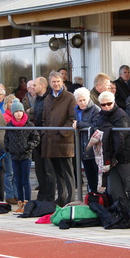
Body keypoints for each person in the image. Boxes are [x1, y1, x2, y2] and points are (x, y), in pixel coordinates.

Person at [94, 91, 130, 221]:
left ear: (113, 102)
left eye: (109, 104)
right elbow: (95, 128)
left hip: (125, 156)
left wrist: (112, 157)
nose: (106, 107)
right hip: (111, 157)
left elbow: (120, 137)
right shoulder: (101, 116)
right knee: (114, 189)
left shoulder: (121, 115)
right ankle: (124, 212)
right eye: (103, 105)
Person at [41, 70, 77, 206]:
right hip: (50, 141)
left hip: (64, 141)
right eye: (53, 82)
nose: (56, 84)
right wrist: (45, 132)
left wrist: (62, 132)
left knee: (67, 171)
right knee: (57, 172)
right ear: (50, 84)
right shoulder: (48, 98)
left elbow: (72, 118)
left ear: (62, 82)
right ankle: (62, 197)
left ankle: (71, 197)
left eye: (58, 81)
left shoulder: (69, 97)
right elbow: (44, 119)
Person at [4, 98, 40, 213]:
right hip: (15, 156)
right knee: (17, 180)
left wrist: (29, 146)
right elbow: (6, 139)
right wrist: (9, 148)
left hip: (26, 155)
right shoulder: (10, 126)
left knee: (25, 180)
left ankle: (27, 202)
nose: (18, 114)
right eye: (16, 112)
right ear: (13, 113)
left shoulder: (29, 125)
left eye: (20, 111)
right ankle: (20, 202)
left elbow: (36, 138)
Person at [72, 87, 101, 193]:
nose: (83, 102)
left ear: (89, 98)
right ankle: (91, 198)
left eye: (84, 99)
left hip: (94, 148)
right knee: (90, 178)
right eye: (80, 100)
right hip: (83, 148)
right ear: (76, 101)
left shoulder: (95, 109)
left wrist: (79, 124)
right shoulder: (76, 111)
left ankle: (99, 199)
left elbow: (96, 126)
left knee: (97, 178)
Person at [30, 76, 54, 202]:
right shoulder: (37, 100)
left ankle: (49, 197)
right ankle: (42, 195)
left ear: (42, 86)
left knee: (48, 169)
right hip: (37, 137)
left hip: (46, 137)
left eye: (35, 85)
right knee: (39, 168)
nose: (32, 88)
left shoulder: (49, 99)